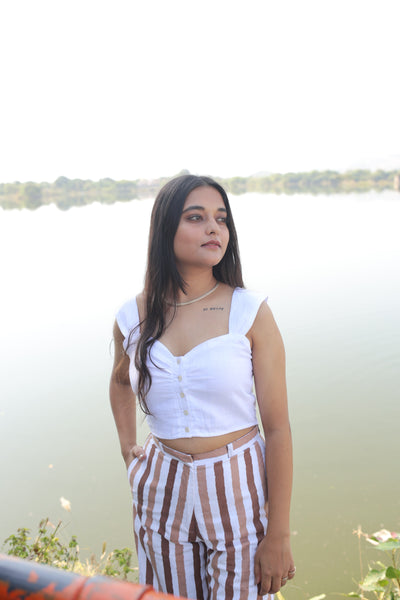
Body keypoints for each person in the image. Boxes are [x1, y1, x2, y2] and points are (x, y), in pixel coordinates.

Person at [109, 174, 295, 600]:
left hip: (237, 484)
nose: (214, 228)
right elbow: (120, 381)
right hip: (161, 485)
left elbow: (278, 429)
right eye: (196, 217)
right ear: (165, 229)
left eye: (221, 218)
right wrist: (127, 447)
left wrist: (278, 533)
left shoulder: (249, 312)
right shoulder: (131, 316)